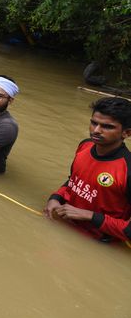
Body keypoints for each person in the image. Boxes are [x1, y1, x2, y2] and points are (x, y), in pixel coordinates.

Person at [45, 97, 131, 242]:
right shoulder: (85, 146)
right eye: (93, 123)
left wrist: (89, 215)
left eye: (107, 127)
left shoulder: (128, 169)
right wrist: (55, 198)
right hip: (63, 224)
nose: (96, 131)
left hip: (98, 241)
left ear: (127, 133)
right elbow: (73, 181)